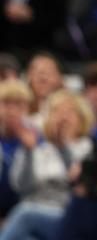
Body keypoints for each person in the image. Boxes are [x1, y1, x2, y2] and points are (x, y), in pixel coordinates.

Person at [0, 90, 94, 240]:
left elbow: (78, 182)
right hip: (30, 214)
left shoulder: (88, 149)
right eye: (57, 111)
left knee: (25, 213)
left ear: (81, 118)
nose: (63, 117)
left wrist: (62, 147)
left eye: (69, 112)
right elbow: (21, 186)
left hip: (65, 216)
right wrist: (29, 152)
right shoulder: (38, 147)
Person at [0, 78, 38, 217]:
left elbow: (31, 186)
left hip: (23, 208)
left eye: (18, 105)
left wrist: (29, 151)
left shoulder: (37, 138)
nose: (12, 110)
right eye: (6, 103)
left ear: (27, 109)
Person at [24, 52, 65, 130]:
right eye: (38, 72)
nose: (43, 77)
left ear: (60, 78)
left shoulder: (70, 108)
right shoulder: (19, 107)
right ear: (28, 76)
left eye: (49, 72)